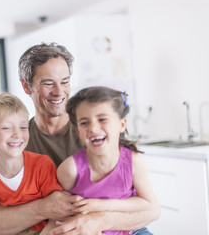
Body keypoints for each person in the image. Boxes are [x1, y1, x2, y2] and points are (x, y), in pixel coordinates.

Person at [0, 42, 160, 235]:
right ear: (26, 86)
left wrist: (101, 220)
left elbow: (152, 210)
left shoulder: (94, 131)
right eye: (48, 83)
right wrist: (43, 208)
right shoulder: (16, 143)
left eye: (65, 81)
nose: (59, 91)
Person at [57, 86, 159, 235]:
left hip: (132, 230)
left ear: (122, 124)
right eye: (85, 122)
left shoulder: (134, 161)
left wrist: (101, 205)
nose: (93, 128)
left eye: (102, 119)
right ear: (78, 131)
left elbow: (147, 202)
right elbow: (60, 211)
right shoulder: (70, 169)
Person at [0, 93, 63, 235]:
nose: (17, 134)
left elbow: (57, 216)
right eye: (7, 128)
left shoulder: (42, 165)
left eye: (23, 127)